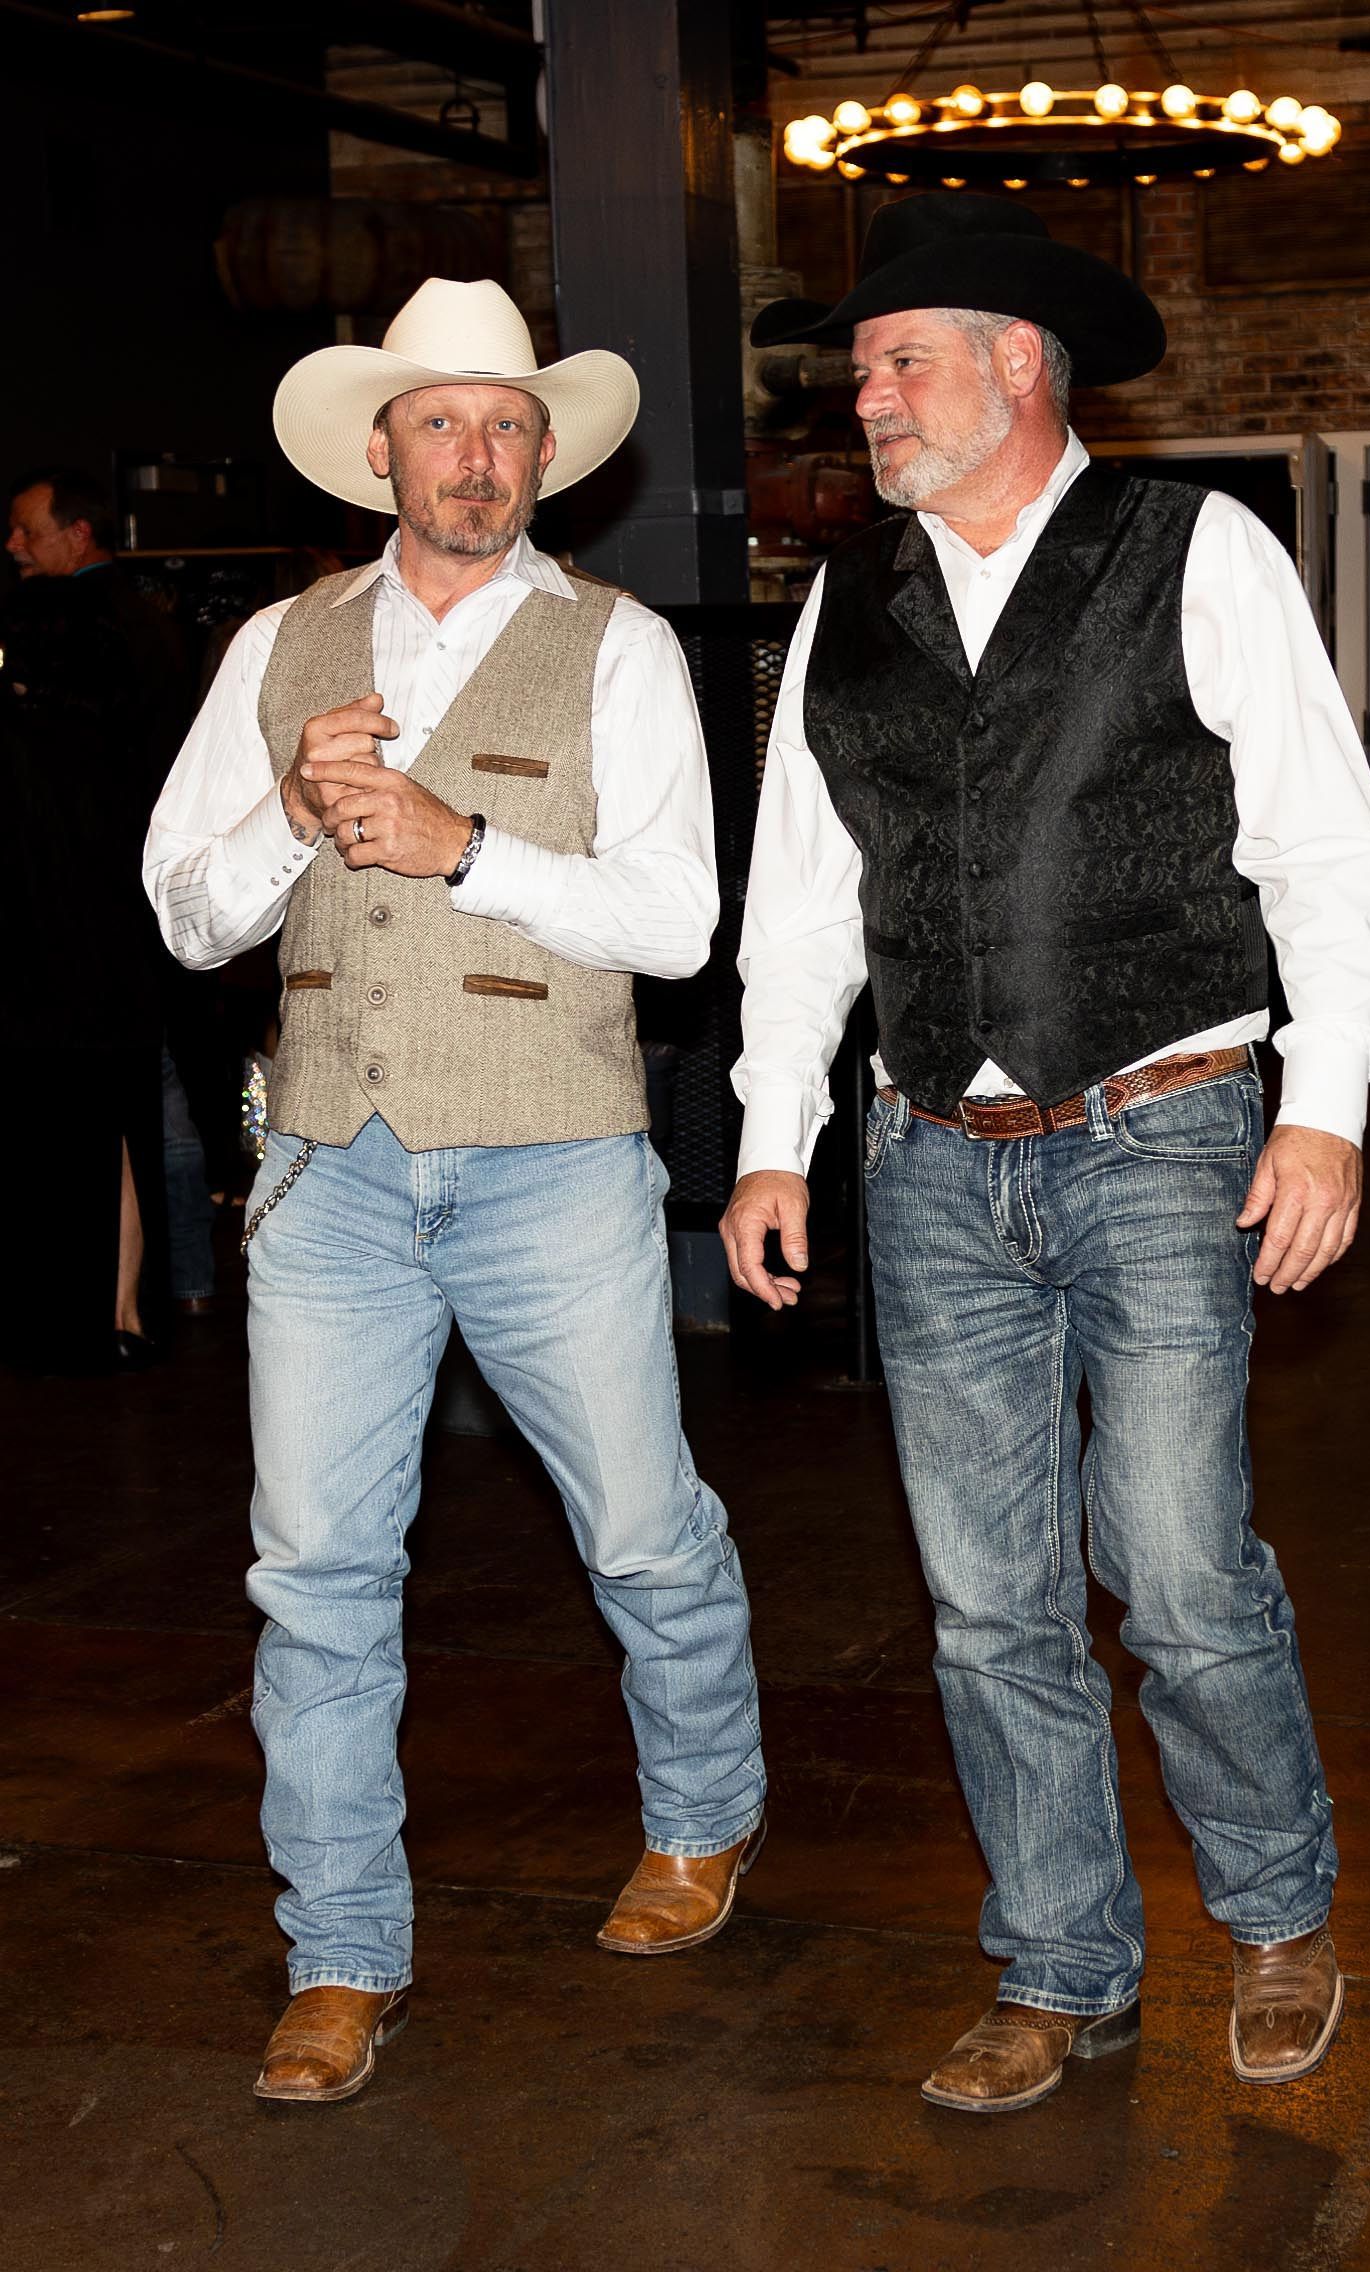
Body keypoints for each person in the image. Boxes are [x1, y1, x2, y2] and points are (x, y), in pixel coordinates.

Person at [721, 194, 1370, 2113]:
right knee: (987, 1597)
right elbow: (802, 897)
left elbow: (1327, 859)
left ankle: (1272, 1913)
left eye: (897, 358)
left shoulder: (1198, 553)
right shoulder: (846, 607)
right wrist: (774, 1137)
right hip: (930, 1149)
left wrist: (1330, 1105)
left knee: (1178, 1568)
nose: (864, 396)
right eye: (861, 370)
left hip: (1166, 1123)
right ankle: (1062, 1962)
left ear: (1018, 362)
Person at [145, 277, 767, 2106]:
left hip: (553, 1153)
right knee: (317, 1575)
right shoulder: (277, 644)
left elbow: (678, 920)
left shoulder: (622, 645)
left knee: (647, 1534)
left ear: (546, 456)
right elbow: (189, 913)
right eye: (443, 421)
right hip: (329, 1165)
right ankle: (340, 1952)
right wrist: (289, 814)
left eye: (509, 425)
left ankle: (703, 1818)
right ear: (381, 449)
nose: (478, 454)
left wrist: (463, 846)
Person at [7, 464, 212, 1317]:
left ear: (78, 534)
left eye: (26, 529)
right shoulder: (141, 624)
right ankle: (177, 1289)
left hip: (94, 920)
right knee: (157, 1100)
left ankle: (135, 1304)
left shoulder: (81, 628)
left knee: (133, 1110)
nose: (12, 544)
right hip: (134, 907)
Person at [0, 577, 168, 1370]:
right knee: (124, 1147)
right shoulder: (129, 746)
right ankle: (123, 1316)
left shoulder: (17, 744)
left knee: (39, 1158)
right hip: (119, 980)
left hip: (29, 984)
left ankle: (43, 1318)